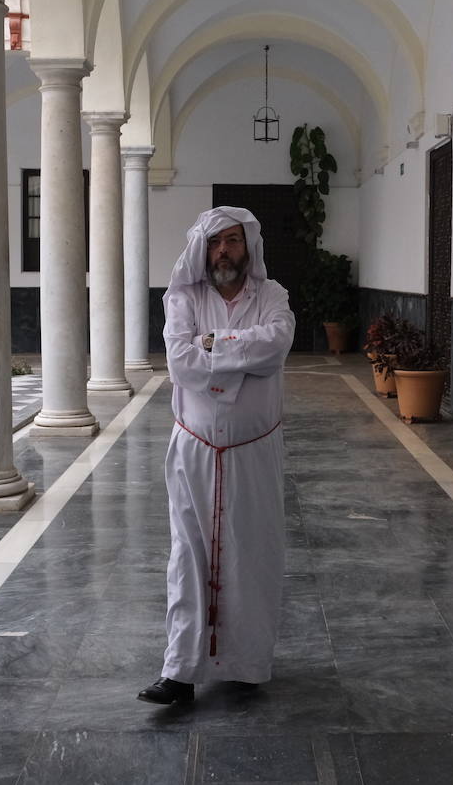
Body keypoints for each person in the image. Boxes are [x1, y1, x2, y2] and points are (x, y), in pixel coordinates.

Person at [138, 206, 296, 705]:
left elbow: (275, 346)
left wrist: (213, 346)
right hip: (195, 449)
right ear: (202, 250)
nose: (223, 250)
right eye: (214, 242)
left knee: (252, 553)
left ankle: (247, 664)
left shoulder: (273, 297)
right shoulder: (183, 297)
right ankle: (179, 672)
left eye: (232, 240)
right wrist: (234, 357)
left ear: (248, 246)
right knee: (188, 555)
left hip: (254, 451)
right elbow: (182, 364)